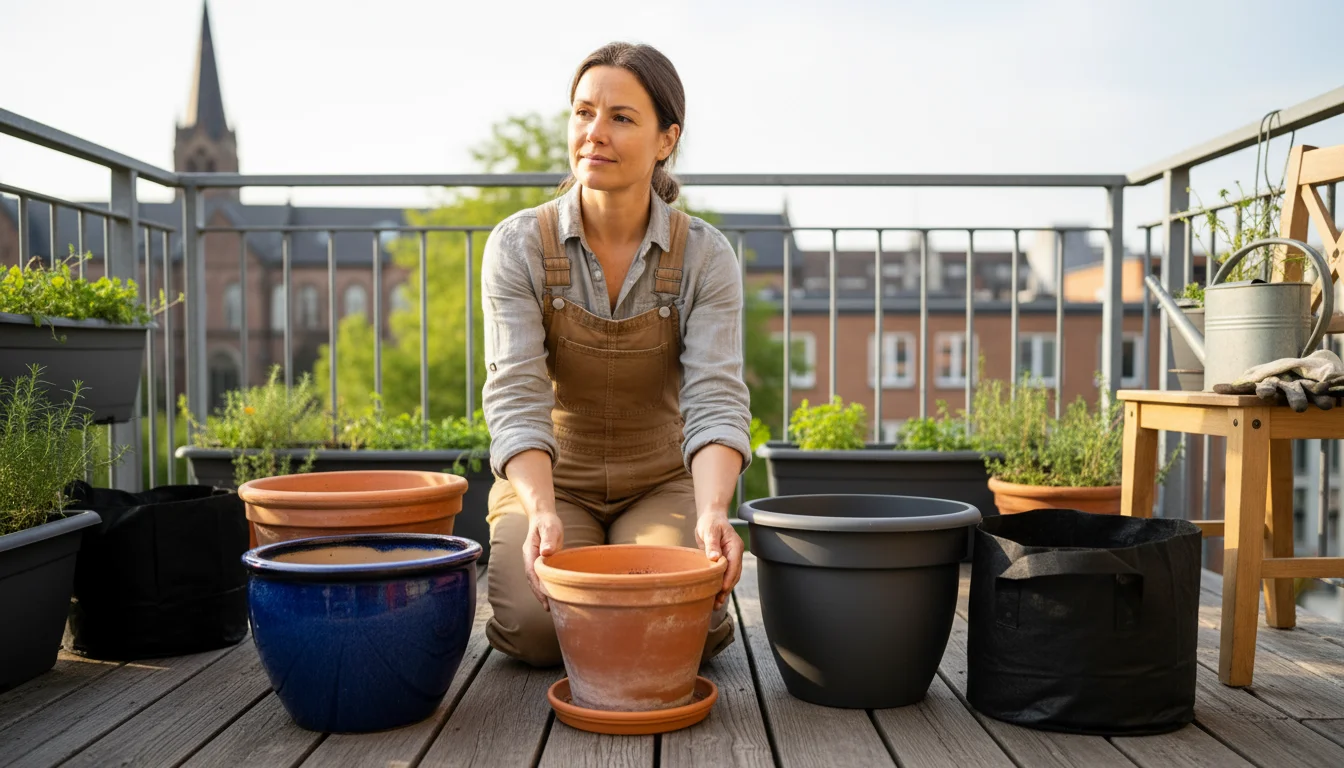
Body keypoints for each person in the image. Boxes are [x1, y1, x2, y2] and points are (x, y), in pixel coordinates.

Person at [480, 41, 751, 667]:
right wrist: (541, 510)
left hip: (660, 482)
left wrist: (713, 511)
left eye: (621, 118)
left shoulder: (707, 257)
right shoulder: (517, 245)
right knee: (536, 629)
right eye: (582, 113)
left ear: (666, 140)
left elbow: (715, 397)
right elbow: (515, 394)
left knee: (675, 623)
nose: (593, 134)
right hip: (556, 482)